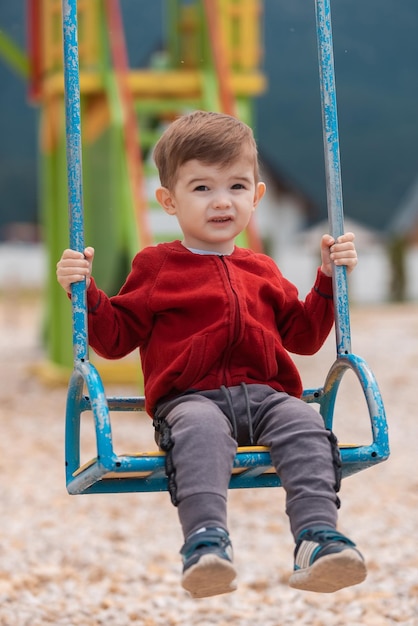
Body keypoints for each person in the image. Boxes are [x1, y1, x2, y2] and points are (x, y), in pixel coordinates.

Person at [57, 110, 365, 599]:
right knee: (199, 435)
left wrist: (328, 278)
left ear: (257, 196)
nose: (222, 202)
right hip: (190, 399)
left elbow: (303, 336)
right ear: (169, 201)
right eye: (201, 188)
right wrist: (86, 292)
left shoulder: (262, 268)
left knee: (306, 426)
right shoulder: (156, 266)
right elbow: (116, 338)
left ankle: (317, 539)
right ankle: (205, 545)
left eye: (237, 187)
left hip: (267, 396)